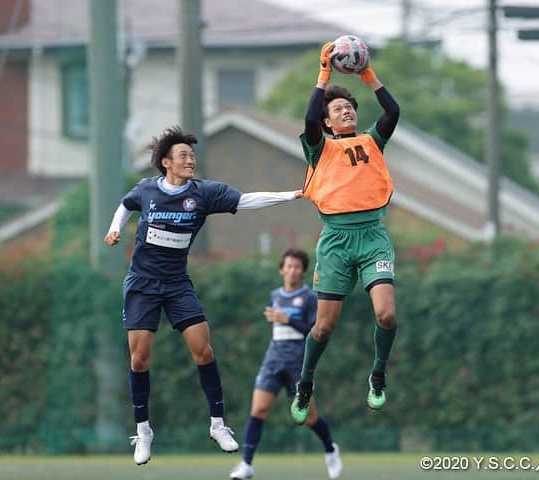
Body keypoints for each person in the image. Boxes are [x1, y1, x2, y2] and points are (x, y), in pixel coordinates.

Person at [104, 126, 302, 465]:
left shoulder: (205, 194)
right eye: (183, 156)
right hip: (142, 284)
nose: (190, 160)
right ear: (166, 163)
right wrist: (115, 228)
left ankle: (218, 424)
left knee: (204, 351)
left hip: (177, 283)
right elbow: (125, 205)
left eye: (192, 155)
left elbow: (245, 200)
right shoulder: (147, 191)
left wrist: (292, 195)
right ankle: (144, 430)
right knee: (139, 358)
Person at [290, 42, 400, 425]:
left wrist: (366, 73)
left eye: (349, 106)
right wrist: (324, 74)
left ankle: (378, 374)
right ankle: (306, 382)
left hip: (372, 237)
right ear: (328, 122)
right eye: (338, 109)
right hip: (336, 241)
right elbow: (307, 121)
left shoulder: (372, 140)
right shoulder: (319, 148)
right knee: (324, 326)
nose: (347, 110)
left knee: (386, 315)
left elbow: (393, 111)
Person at [229, 249, 342, 480]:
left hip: (298, 364)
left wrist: (287, 319)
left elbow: (314, 332)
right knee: (258, 410)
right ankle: (246, 464)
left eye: (297, 267)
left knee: (310, 418)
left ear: (303, 271)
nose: (293, 270)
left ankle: (330, 450)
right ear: (282, 269)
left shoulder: (310, 298)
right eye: (289, 266)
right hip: (273, 360)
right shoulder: (275, 295)